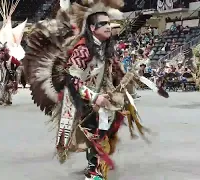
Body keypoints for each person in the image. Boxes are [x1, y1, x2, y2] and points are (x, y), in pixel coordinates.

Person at [22, 1, 168, 180]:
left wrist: (126, 77)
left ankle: (94, 167)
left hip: (102, 100)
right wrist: (94, 97)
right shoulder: (83, 50)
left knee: (103, 133)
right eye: (103, 24)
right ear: (92, 28)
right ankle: (94, 173)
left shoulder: (105, 48)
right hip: (84, 102)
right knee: (98, 136)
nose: (108, 27)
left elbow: (111, 72)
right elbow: (72, 80)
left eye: (109, 23)